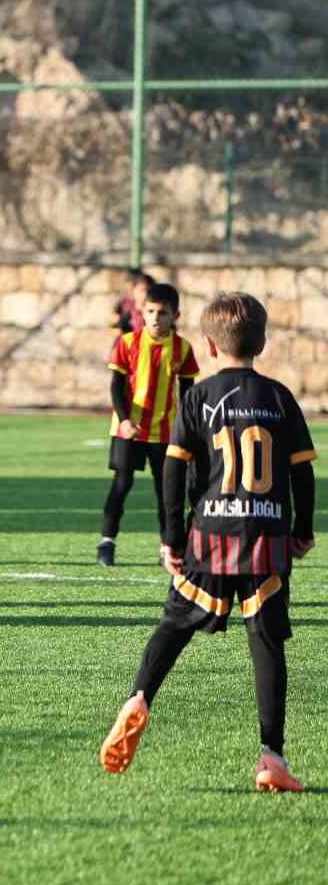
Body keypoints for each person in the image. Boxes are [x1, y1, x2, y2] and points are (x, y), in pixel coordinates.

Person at [99, 291, 315, 792]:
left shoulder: (197, 399)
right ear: (261, 343)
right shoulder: (280, 398)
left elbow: (174, 473)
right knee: (265, 639)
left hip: (212, 532)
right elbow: (303, 473)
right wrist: (303, 528)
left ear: (210, 348)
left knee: (176, 622)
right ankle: (271, 756)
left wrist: (172, 538)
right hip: (265, 535)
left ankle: (138, 697)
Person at [97, 282, 199, 567]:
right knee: (122, 483)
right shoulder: (128, 343)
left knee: (165, 492)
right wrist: (126, 419)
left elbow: (188, 391)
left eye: (163, 313)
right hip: (129, 428)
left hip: (165, 432)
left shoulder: (182, 348)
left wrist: (188, 429)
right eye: (150, 311)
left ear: (175, 316)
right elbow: (116, 386)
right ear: (142, 311)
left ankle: (167, 547)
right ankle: (107, 542)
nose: (155, 318)